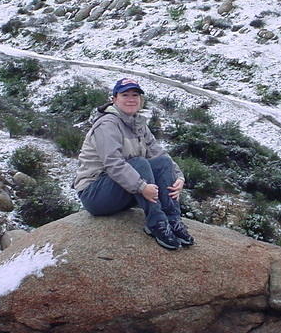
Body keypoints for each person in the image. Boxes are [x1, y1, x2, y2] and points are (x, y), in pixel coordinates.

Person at [73, 78, 194, 250]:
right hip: (95, 192)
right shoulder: (107, 124)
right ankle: (156, 223)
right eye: (125, 95)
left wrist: (179, 177)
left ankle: (173, 220)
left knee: (163, 163)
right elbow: (113, 163)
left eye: (135, 95)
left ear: (140, 100)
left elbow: (159, 154)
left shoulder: (138, 124)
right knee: (139, 163)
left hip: (123, 189)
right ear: (114, 99)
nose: (131, 99)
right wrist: (142, 187)